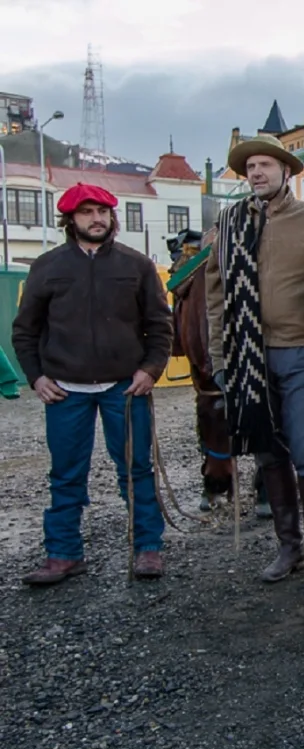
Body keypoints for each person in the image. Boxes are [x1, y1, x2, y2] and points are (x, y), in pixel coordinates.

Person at [205, 135, 304, 595]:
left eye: (266, 164)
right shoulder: (228, 224)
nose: (257, 173)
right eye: (250, 168)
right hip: (246, 354)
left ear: (288, 171)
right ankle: (289, 548)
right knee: (268, 451)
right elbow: (214, 296)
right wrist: (219, 356)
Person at [12, 184, 174, 584]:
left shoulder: (136, 266)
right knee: (66, 474)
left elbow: (159, 324)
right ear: (70, 219)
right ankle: (64, 554)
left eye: (102, 211)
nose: (96, 219)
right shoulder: (47, 267)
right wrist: (36, 377)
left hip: (125, 386)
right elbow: (24, 331)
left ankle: (147, 548)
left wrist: (150, 369)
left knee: (136, 470)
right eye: (86, 212)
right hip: (66, 389)